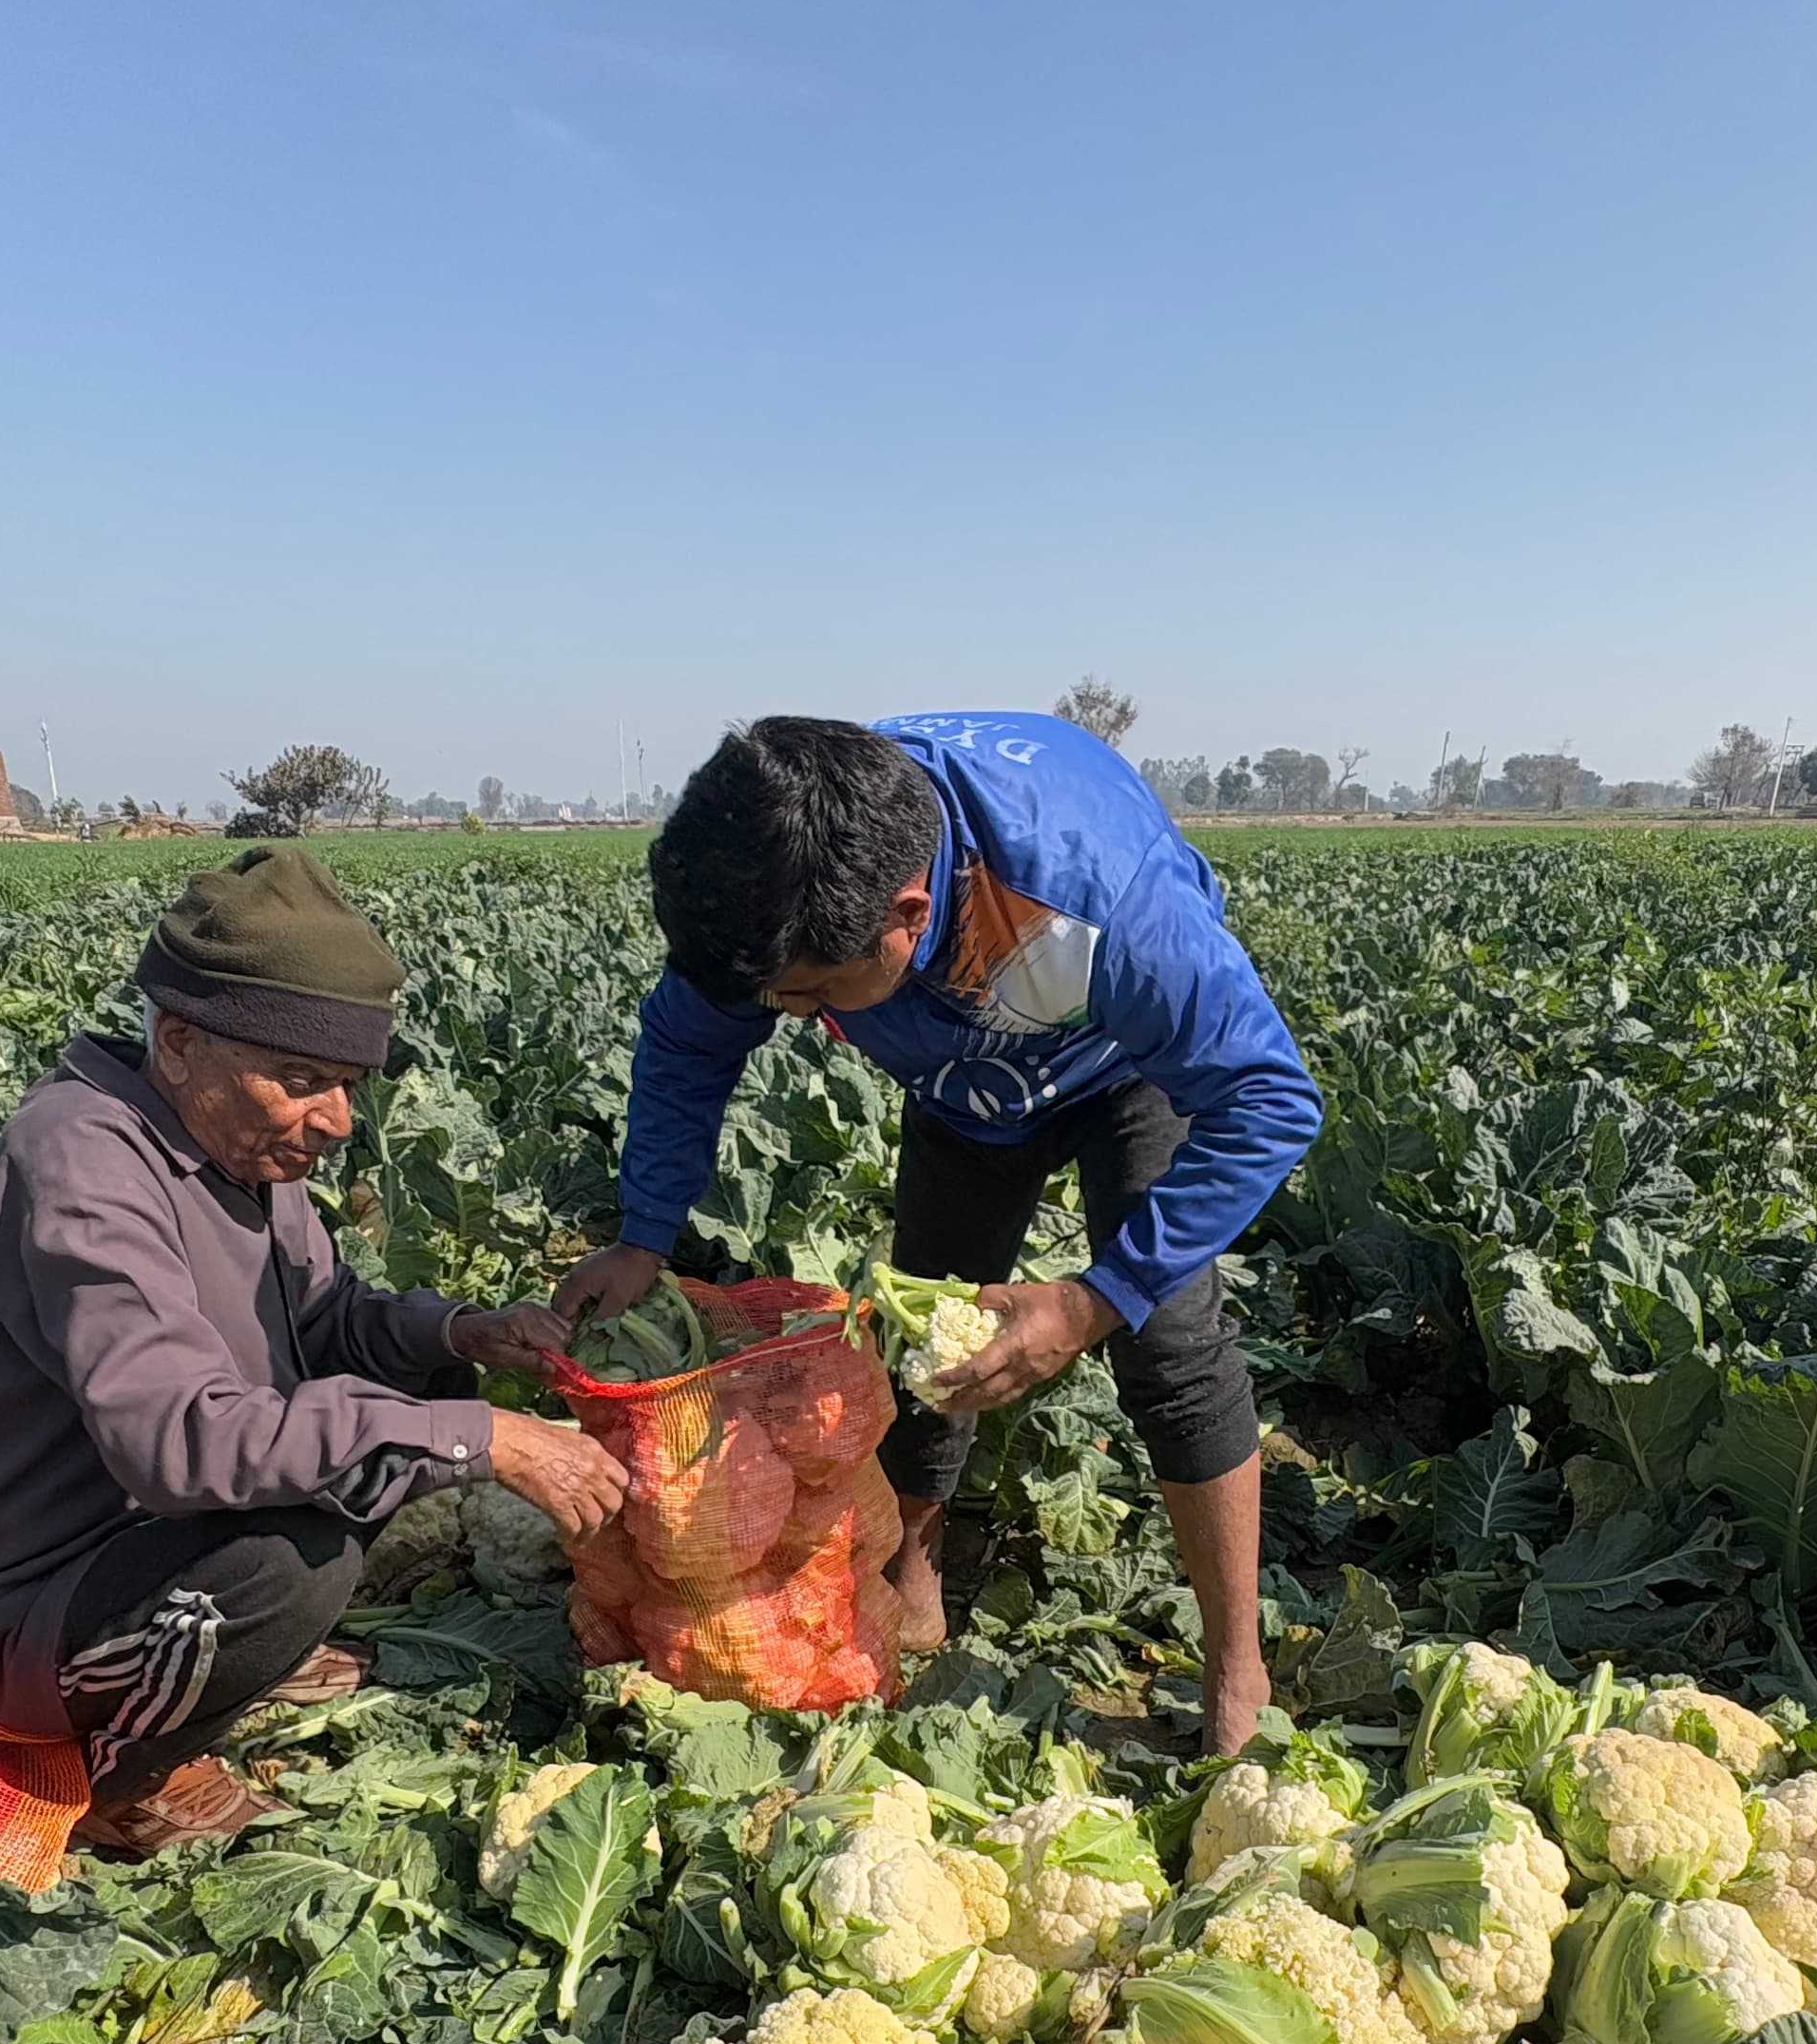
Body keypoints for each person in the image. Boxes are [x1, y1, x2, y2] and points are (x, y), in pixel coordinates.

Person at [556, 714, 1322, 1752]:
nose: (790, 1014)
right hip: (964, 1092)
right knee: (922, 1328)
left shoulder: (1096, 899)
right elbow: (688, 1045)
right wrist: (643, 1235)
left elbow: (1269, 1099)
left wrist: (1095, 1300)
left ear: (907, 915)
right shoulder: (780, 872)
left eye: (815, 996)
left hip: (1124, 1071)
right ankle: (911, 1573)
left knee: (1172, 1340)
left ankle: (1237, 1670)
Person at [0, 846, 624, 1858]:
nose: (336, 1120)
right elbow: (179, 1442)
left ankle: (206, 1657)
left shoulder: (239, 1144)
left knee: (420, 1388)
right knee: (294, 1561)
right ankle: (108, 1780)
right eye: (303, 1080)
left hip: (155, 1541)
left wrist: (461, 1334)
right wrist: (488, 1439)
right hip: (34, 1611)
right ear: (177, 1043)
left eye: (348, 1085)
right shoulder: (80, 1164)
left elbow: (328, 1322)